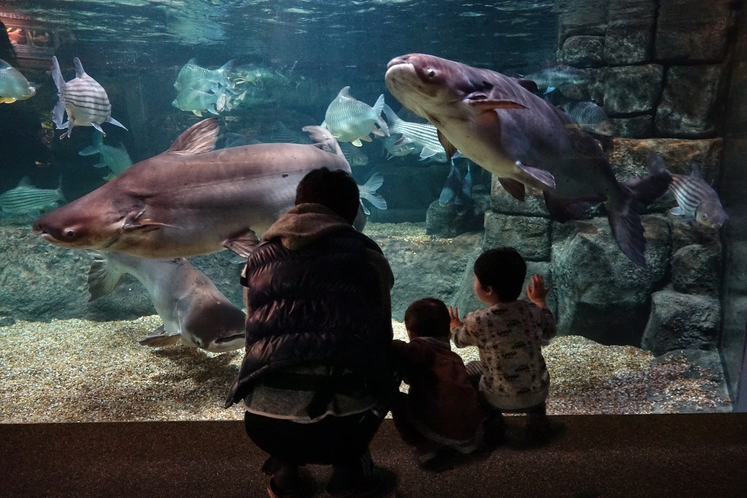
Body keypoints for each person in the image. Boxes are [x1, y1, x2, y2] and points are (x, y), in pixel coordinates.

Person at [225, 167, 397, 498]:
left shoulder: (257, 258)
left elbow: (255, 336)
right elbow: (381, 333)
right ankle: (349, 472)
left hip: (264, 424)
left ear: (298, 204)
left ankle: (286, 474)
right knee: (396, 359)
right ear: (351, 211)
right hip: (344, 425)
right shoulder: (367, 255)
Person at [449, 247, 556, 447]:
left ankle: (493, 422)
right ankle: (537, 421)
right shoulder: (532, 311)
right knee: (533, 382)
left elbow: (459, 342)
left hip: (496, 397)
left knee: (472, 368)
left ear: (487, 290)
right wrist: (540, 301)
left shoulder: (478, 320)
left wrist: (454, 327)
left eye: (475, 279)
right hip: (537, 393)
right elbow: (550, 331)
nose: (474, 282)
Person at [390, 298, 485, 471]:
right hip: (469, 430)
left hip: (434, 428)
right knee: (475, 369)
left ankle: (423, 446)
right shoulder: (450, 355)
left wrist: (384, 342)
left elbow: (399, 349)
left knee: (395, 399)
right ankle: (465, 443)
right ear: (448, 332)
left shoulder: (422, 349)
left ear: (410, 333)